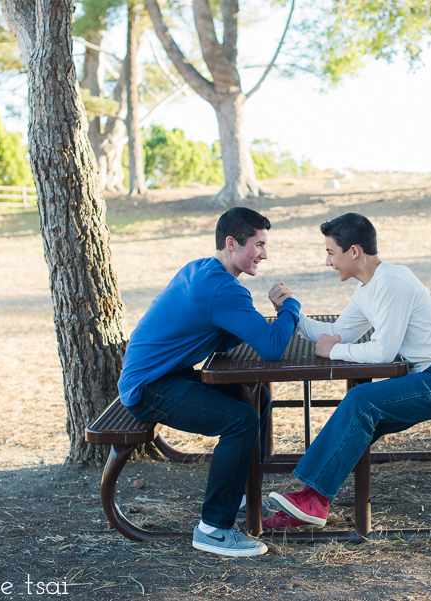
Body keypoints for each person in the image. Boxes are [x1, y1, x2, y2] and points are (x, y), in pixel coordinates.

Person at [264, 212, 431, 529]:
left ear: (354, 251)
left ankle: (313, 500)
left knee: (361, 402)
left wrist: (334, 350)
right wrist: (291, 310)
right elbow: (338, 332)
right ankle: (312, 502)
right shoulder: (368, 288)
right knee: (358, 421)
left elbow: (382, 351)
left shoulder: (393, 281)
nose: (327, 263)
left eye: (330, 253)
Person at [117, 207, 299, 557]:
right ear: (232, 243)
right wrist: (288, 306)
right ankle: (213, 529)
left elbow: (218, 332)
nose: (264, 253)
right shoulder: (221, 288)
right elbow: (273, 347)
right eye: (258, 244)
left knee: (254, 398)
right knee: (241, 421)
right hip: (148, 387)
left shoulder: (201, 269)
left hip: (166, 373)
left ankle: (242, 492)